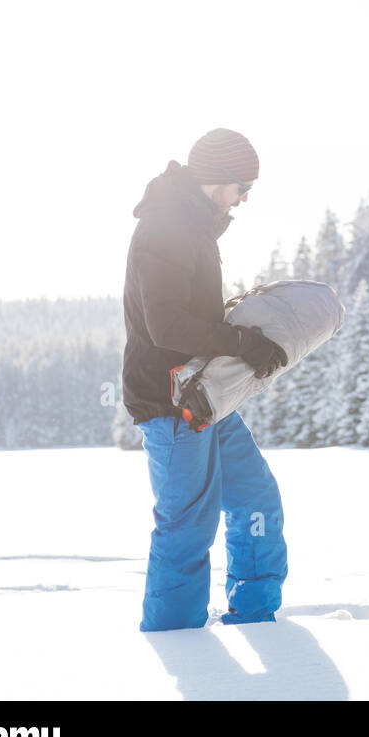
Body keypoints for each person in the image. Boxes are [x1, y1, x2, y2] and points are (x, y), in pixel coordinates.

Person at [122, 128, 289, 632]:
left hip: (207, 394)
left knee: (255, 499)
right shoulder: (166, 227)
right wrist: (240, 342)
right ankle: (177, 639)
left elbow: (190, 312)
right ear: (219, 177)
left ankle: (256, 616)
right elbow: (166, 325)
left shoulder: (192, 227)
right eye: (244, 187)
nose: (244, 199)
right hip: (171, 401)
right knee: (188, 525)